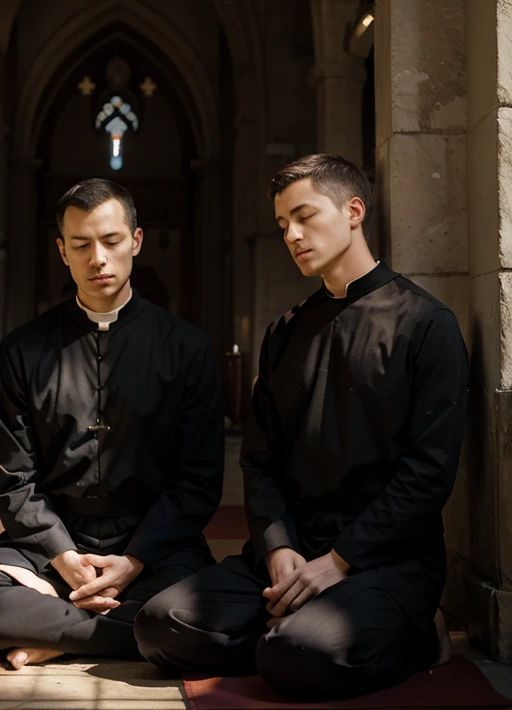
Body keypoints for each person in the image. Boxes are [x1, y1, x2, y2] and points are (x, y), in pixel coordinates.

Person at [135, 154, 468, 700]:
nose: (292, 234)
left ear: (354, 210)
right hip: (292, 552)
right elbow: (260, 457)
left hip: (385, 560)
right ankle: (286, 635)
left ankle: (415, 637)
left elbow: (427, 476)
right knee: (159, 625)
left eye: (305, 216)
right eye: (283, 224)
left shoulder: (426, 326)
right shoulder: (286, 330)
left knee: (297, 656)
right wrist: (276, 546)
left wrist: (338, 563)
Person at [0, 178, 224, 669]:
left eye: (111, 241)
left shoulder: (187, 350)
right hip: (51, 547)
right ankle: (111, 631)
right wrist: (63, 559)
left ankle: (57, 633)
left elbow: (198, 481)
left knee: (199, 612)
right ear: (62, 251)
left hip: (154, 547)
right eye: (80, 245)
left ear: (136, 241)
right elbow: (14, 479)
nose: (97, 258)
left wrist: (134, 561)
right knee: (173, 628)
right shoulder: (22, 351)